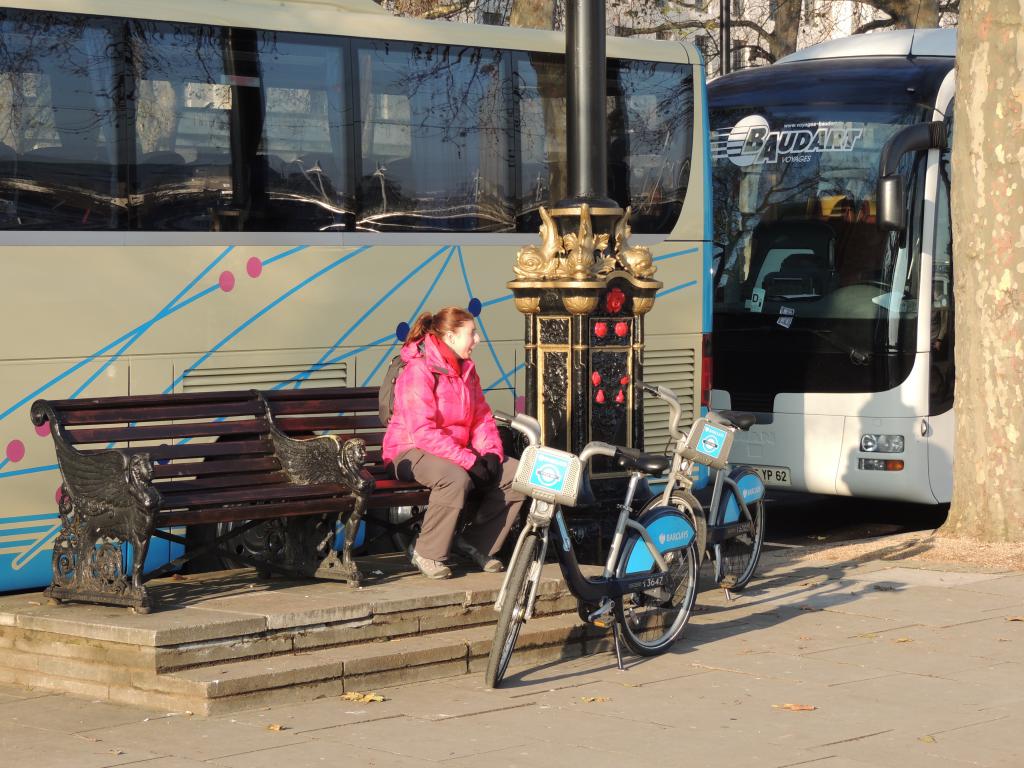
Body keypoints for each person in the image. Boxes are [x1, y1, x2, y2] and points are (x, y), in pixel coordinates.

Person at [382, 307, 525, 580]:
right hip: (408, 452)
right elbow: (422, 432)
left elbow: (482, 417)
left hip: (451, 451)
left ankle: (476, 543)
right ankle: (427, 552)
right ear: (450, 336)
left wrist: (491, 454)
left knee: (516, 474)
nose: (477, 340)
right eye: (471, 333)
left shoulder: (466, 369)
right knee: (454, 478)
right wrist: (469, 460)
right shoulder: (418, 370)